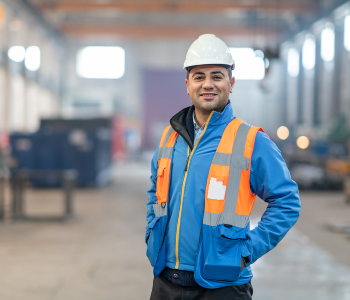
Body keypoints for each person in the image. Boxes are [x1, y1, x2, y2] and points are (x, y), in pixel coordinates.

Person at [146, 34, 300, 300]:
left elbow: (287, 202)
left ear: (231, 83)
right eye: (199, 76)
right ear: (187, 85)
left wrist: (246, 251)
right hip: (166, 279)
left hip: (223, 285)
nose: (208, 84)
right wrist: (152, 232)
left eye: (217, 76)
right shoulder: (169, 137)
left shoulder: (251, 141)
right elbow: (155, 192)